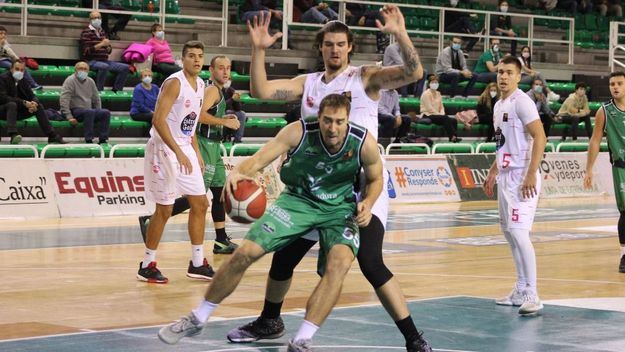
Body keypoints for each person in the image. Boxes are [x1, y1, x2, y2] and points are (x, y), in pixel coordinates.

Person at [229, 8, 431, 352]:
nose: (334, 50)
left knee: (370, 262)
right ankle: (270, 320)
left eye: (340, 44)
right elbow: (261, 90)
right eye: (328, 44)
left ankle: (414, 338)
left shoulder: (365, 78)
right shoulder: (308, 84)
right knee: (284, 255)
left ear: (349, 47)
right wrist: (259, 49)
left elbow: (414, 72)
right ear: (320, 48)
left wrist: (400, 33)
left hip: (361, 187)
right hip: (316, 191)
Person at [157, 94, 384, 352]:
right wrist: (239, 171)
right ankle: (198, 317)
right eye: (327, 121)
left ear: (347, 120)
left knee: (339, 263)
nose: (333, 128)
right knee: (245, 252)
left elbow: (377, 179)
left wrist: (368, 202)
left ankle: (302, 340)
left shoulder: (363, 142)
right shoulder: (298, 131)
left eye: (339, 122)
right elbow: (260, 159)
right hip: (298, 202)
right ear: (318, 117)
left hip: (338, 209)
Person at [138, 55, 241, 258]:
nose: (226, 72)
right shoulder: (210, 89)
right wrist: (223, 122)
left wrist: (223, 120)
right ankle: (152, 221)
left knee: (217, 193)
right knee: (195, 198)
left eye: (228, 68)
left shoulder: (213, 89)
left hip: (212, 146)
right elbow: (199, 116)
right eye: (221, 68)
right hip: (200, 145)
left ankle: (220, 240)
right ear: (211, 70)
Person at [138, 40, 214, 284]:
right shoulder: (174, 83)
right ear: (183, 59)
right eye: (191, 55)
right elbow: (158, 122)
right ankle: (147, 264)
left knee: (201, 204)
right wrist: (178, 152)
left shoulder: (201, 84)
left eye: (200, 56)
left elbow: (190, 122)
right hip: (163, 147)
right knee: (165, 208)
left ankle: (197, 262)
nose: (197, 60)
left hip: (184, 146)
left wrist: (195, 151)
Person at [483, 56, 547, 316]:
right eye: (500, 72)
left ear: (519, 77)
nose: (503, 77)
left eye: (509, 72)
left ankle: (533, 294)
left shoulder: (522, 102)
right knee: (509, 234)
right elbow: (503, 143)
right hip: (506, 175)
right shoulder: (499, 105)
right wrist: (493, 169)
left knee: (520, 234)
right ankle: (520, 288)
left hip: (522, 176)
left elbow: (540, 136)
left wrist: (531, 173)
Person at [584, 71, 625, 274]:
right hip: (621, 167)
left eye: (619, 83)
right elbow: (595, 140)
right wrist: (589, 169)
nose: (615, 87)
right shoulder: (604, 111)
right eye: (612, 84)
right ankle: (623, 255)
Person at [0, 60, 66, 144]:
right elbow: (3, 98)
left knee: (38, 106)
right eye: (17, 69)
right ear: (11, 69)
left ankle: (52, 135)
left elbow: (32, 95)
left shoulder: (23, 80)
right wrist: (24, 102)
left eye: (22, 70)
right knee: (11, 104)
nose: (19, 72)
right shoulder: (2, 78)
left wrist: (34, 103)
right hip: (3, 110)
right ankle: (13, 135)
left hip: (17, 111)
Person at [59, 61, 111, 144]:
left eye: (85, 69)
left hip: (87, 111)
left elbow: (96, 98)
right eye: (80, 68)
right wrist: (69, 116)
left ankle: (103, 139)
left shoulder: (91, 81)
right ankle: (89, 139)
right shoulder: (70, 80)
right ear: (75, 70)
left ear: (88, 71)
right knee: (89, 111)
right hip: (74, 110)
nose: (83, 71)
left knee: (105, 112)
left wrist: (98, 112)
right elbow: (64, 99)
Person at [80, 11, 130, 92]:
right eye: (95, 18)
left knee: (125, 68)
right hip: (91, 61)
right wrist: (101, 44)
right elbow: (86, 51)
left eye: (99, 18)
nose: (97, 19)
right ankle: (99, 91)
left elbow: (109, 50)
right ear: (90, 20)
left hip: (105, 60)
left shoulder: (102, 32)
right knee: (104, 66)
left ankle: (117, 91)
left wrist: (108, 48)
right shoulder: (86, 32)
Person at [420, 75, 462, 143]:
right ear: (429, 84)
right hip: (427, 114)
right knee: (445, 118)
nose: (435, 84)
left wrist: (441, 114)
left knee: (454, 120)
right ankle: (451, 137)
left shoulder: (438, 93)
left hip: (438, 115)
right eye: (433, 82)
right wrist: (440, 115)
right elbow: (429, 108)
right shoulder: (425, 94)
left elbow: (441, 106)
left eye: (436, 83)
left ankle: (455, 137)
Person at [0, 26, 42, 90]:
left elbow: (10, 52)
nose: (3, 35)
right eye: (1, 33)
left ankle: (32, 85)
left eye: (5, 34)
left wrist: (18, 60)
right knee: (15, 68)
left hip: (7, 59)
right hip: (1, 61)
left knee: (22, 67)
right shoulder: (2, 43)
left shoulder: (5, 42)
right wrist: (1, 45)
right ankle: (30, 85)